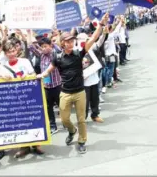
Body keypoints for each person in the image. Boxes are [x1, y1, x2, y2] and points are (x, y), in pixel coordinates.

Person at [37, 13, 109, 154]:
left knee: (81, 119)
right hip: (65, 92)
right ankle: (72, 131)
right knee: (64, 119)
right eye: (68, 41)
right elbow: (48, 70)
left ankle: (82, 141)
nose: (70, 43)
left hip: (80, 92)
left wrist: (101, 24)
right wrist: (41, 75)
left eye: (72, 41)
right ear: (62, 43)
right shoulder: (57, 57)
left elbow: (94, 38)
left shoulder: (79, 53)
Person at [2, 41, 44, 158]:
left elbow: (34, 75)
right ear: (5, 53)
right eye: (8, 52)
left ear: (17, 51)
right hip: (14, 100)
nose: (11, 54)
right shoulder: (3, 66)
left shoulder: (25, 61)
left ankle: (36, 144)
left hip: (28, 97)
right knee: (20, 124)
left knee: (33, 121)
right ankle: (24, 147)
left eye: (13, 51)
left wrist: (27, 76)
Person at [30, 37, 62, 134]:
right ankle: (53, 126)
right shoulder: (41, 55)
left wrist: (54, 43)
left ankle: (66, 122)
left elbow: (59, 50)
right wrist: (28, 33)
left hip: (57, 85)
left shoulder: (55, 54)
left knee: (62, 106)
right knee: (48, 107)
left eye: (45, 46)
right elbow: (31, 47)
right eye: (42, 47)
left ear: (50, 45)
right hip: (46, 87)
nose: (44, 49)